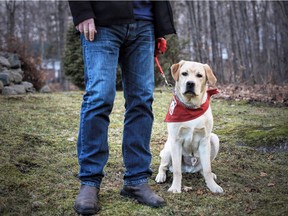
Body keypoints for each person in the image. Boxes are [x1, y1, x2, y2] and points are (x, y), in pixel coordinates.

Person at [68, 1, 176, 214]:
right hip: (102, 20)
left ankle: (136, 180)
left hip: (145, 22)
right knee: (98, 98)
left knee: (142, 101)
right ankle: (89, 181)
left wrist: (159, 24)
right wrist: (82, 12)